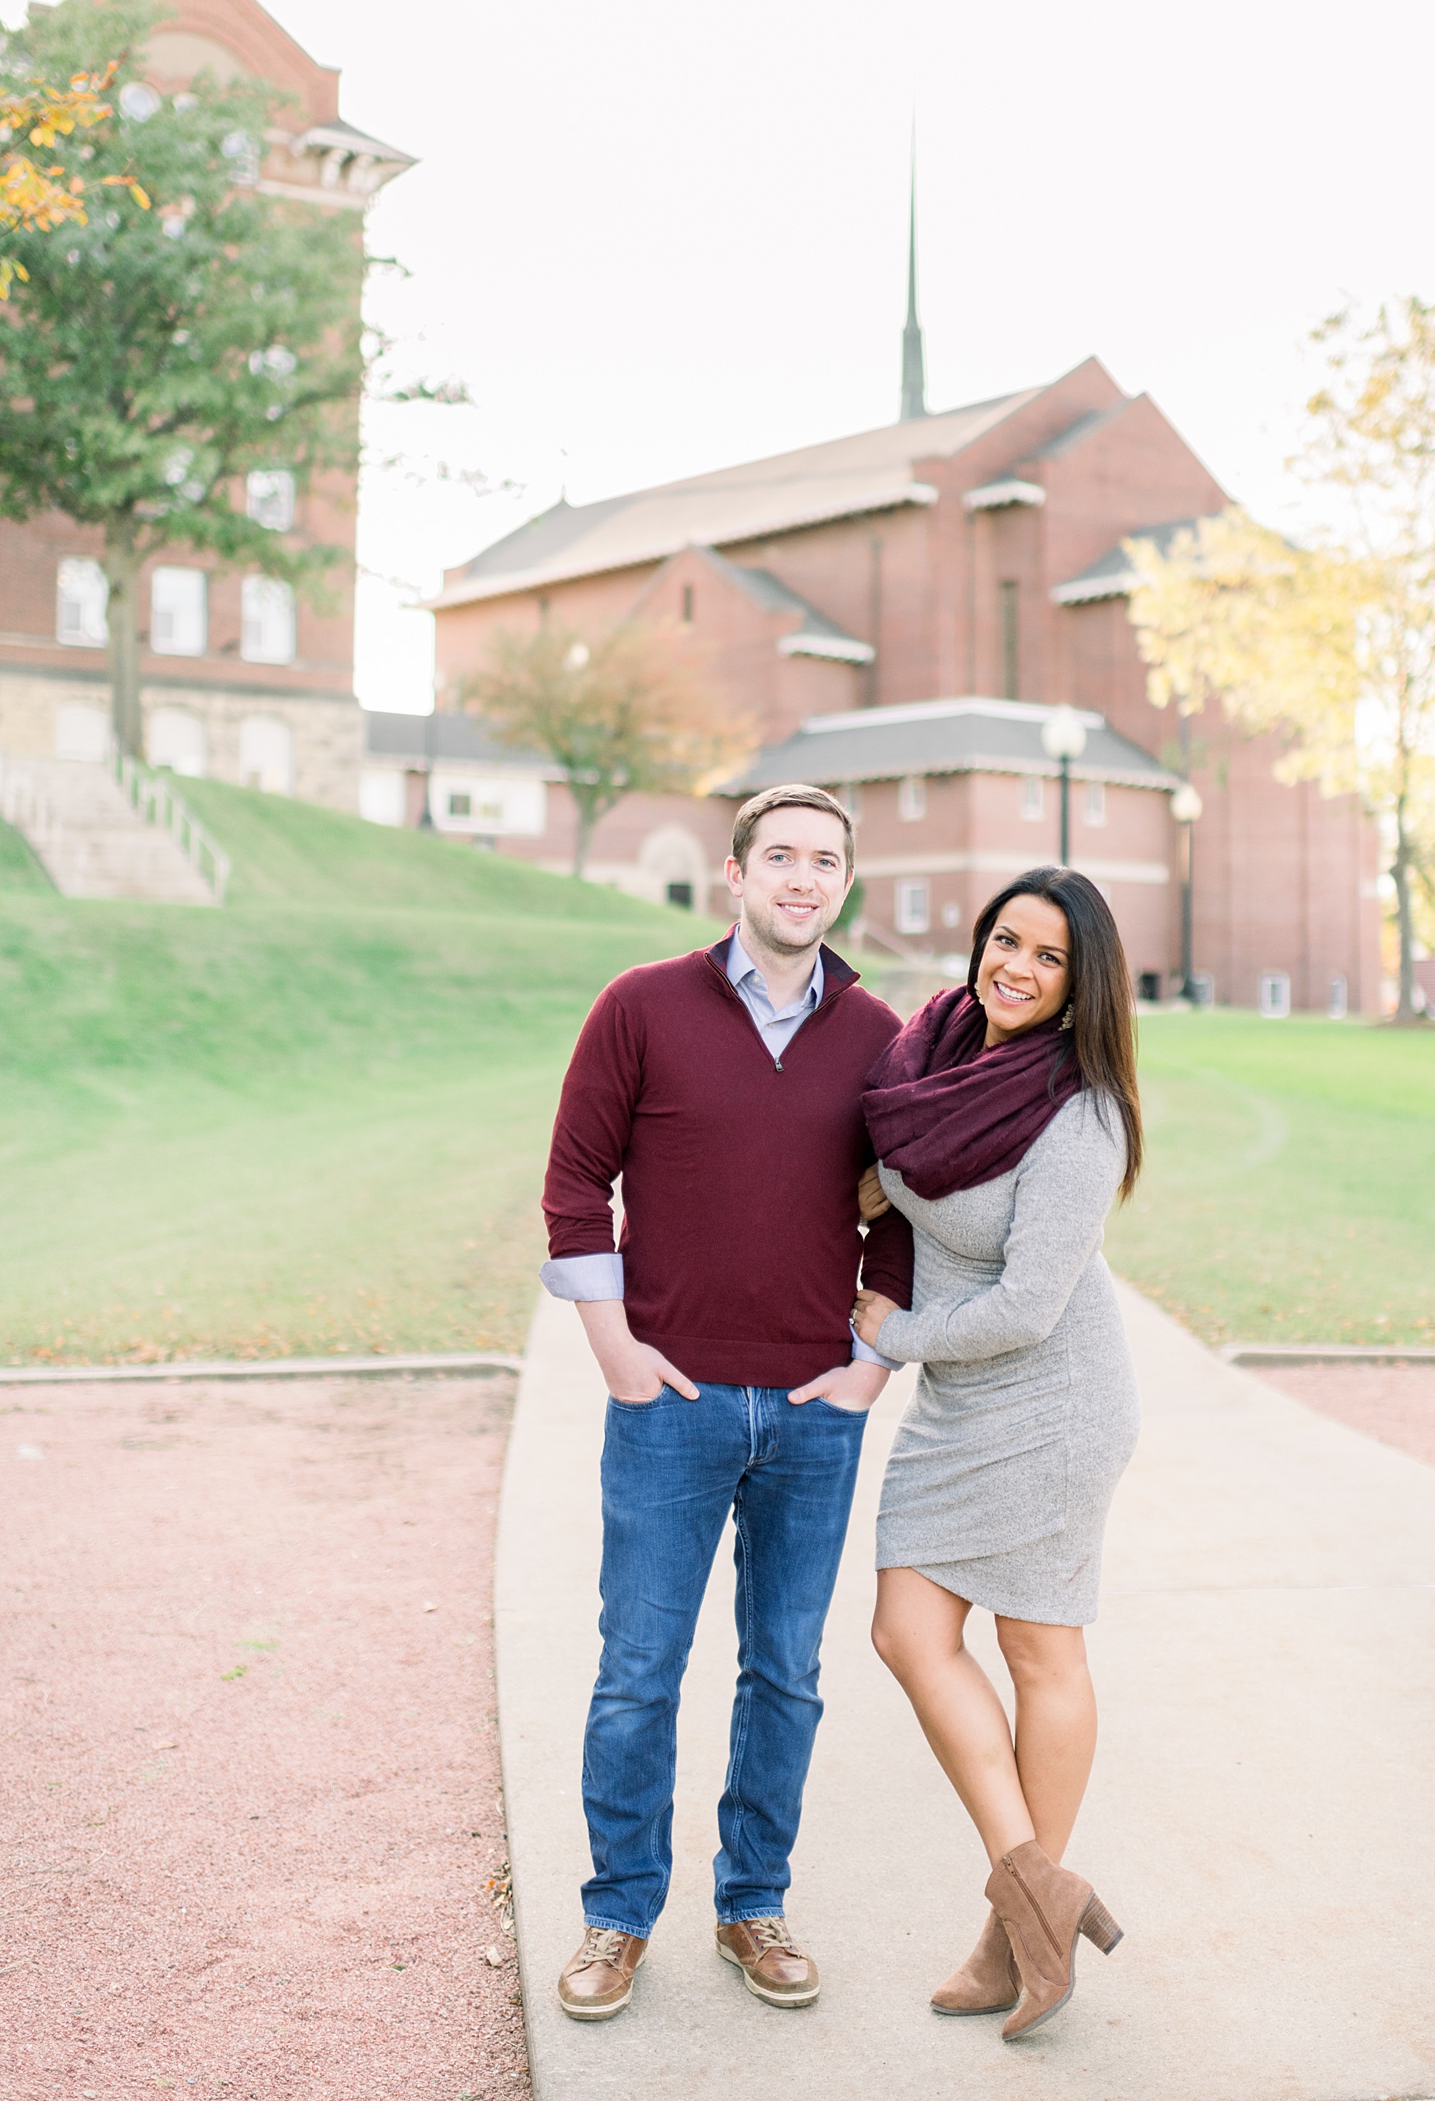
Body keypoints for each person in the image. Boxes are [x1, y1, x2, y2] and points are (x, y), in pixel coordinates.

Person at [540, 783, 912, 2024]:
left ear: (843, 885)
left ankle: (754, 1901)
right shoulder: (640, 1006)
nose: (803, 879)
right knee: (638, 1671)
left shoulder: (882, 1038)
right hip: (670, 1402)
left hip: (813, 1411)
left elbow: (914, 1211)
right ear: (735, 874)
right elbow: (575, 1181)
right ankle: (615, 1916)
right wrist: (614, 1348)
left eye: (826, 861)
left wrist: (870, 1366)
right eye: (782, 857)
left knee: (785, 1673)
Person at [850, 865, 1143, 2044]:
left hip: (1050, 1398)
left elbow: (1027, 1306)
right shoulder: (936, 1051)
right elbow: (905, 1168)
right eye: (1004, 940)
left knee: (1038, 1647)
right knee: (908, 1630)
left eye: (1048, 959)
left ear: (1082, 989)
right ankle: (1037, 1898)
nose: (1014, 968)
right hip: (963, 1406)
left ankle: (1006, 1931)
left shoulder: (1081, 1113)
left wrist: (900, 1334)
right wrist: (880, 1192)